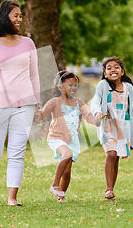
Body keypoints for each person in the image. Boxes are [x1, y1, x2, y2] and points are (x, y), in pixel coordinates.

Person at [0, 0, 40, 206]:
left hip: (25, 105)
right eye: (16, 16)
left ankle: (12, 198)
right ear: (5, 17)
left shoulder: (28, 43)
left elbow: (35, 75)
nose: (20, 19)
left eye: (21, 16)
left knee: (17, 153)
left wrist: (37, 102)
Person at [91, 57, 133, 200]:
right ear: (105, 73)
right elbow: (96, 101)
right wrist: (97, 112)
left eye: (116, 67)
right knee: (111, 154)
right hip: (108, 125)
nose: (113, 70)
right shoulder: (103, 85)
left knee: (116, 157)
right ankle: (108, 189)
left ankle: (111, 189)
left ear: (122, 71)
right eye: (108, 68)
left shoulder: (129, 87)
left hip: (124, 127)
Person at [34, 71, 101, 202]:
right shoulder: (54, 102)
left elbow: (90, 119)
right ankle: (54, 185)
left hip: (72, 140)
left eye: (75, 85)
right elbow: (41, 116)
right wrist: (35, 109)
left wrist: (98, 118)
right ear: (60, 87)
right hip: (56, 137)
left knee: (67, 171)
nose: (73, 88)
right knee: (67, 155)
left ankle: (61, 196)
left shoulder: (79, 103)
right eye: (70, 85)